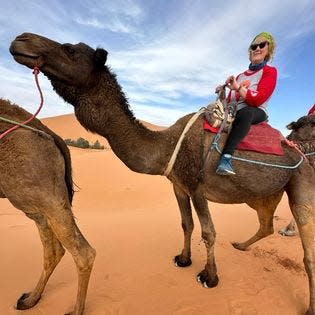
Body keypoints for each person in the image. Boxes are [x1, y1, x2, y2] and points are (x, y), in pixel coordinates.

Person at [216, 32, 277, 175]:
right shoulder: (240, 76)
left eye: (262, 45)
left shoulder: (270, 72)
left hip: (256, 111)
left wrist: (237, 88)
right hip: (234, 111)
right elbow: (231, 101)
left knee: (246, 112)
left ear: (268, 50)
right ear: (250, 52)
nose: (257, 48)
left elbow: (258, 99)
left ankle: (226, 158)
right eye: (254, 46)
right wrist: (222, 93)